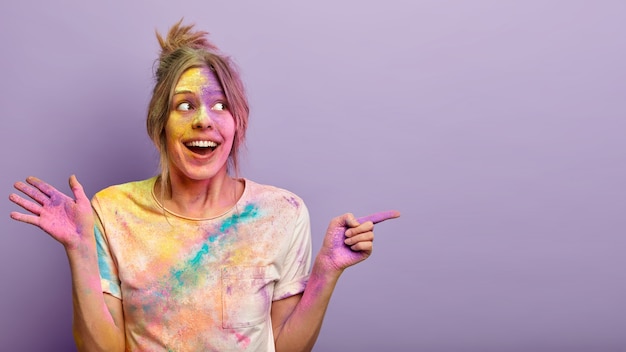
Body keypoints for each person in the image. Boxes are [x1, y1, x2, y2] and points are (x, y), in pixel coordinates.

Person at [9, 20, 400, 352]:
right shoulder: (112, 211)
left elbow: (284, 346)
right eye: (184, 105)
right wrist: (79, 252)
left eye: (220, 105)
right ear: (160, 123)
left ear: (237, 123)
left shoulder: (282, 213)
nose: (203, 120)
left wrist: (327, 272)